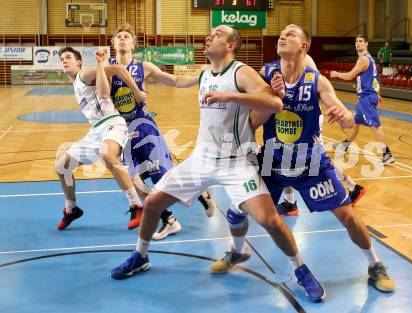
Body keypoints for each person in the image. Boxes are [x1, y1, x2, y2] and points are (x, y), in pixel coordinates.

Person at [110, 25, 326, 303]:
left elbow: (274, 102)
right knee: (152, 204)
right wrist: (136, 77)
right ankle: (140, 256)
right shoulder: (203, 73)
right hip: (202, 158)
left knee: (270, 219)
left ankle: (301, 269)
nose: (209, 36)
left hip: (237, 161)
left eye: (217, 34)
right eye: (209, 33)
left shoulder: (241, 72)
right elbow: (175, 81)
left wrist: (230, 96)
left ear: (230, 46)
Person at [252, 24, 395, 293]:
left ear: (304, 46)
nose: (283, 36)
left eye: (291, 34)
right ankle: (235, 250)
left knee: (348, 216)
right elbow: (251, 118)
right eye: (281, 34)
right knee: (242, 211)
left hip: (311, 162)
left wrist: (345, 117)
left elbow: (346, 119)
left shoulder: (317, 80)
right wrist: (271, 96)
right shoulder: (266, 73)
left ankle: (375, 263)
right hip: (272, 161)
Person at [109, 24, 216, 238]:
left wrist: (201, 77)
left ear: (133, 44)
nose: (122, 39)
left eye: (126, 36)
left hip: (144, 128)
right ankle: (169, 220)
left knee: (162, 178)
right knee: (135, 182)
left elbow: (175, 80)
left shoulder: (143, 67)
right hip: (122, 133)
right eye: (118, 36)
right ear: (113, 43)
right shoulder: (106, 67)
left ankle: (200, 191)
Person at [55, 47, 146, 230]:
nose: (64, 60)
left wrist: (136, 92)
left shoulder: (85, 74)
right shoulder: (75, 84)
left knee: (106, 155)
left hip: (113, 123)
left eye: (68, 57)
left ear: (79, 62)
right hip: (96, 130)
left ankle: (136, 205)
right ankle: (71, 209)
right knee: (61, 166)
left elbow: (119, 69)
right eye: (62, 58)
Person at [274, 54, 365, 216]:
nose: (284, 38)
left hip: (305, 117)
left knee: (298, 158)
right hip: (293, 116)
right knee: (293, 157)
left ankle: (290, 201)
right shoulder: (285, 62)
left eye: (289, 34)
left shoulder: (303, 60)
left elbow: (314, 88)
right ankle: (352, 186)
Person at [330, 35, 396, 165]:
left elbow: (350, 76)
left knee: (375, 126)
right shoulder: (369, 59)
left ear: (366, 44)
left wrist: (336, 74)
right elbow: (376, 79)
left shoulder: (364, 60)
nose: (358, 44)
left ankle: (387, 155)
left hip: (366, 97)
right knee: (355, 125)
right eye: (356, 42)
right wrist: (377, 93)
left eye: (361, 41)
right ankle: (343, 148)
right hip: (365, 97)